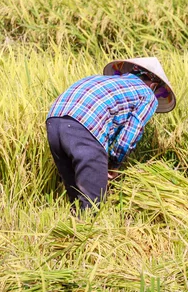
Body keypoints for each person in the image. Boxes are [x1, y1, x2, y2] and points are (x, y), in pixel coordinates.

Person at [45, 57, 176, 211]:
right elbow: (130, 134)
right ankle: (86, 231)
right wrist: (114, 163)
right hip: (86, 124)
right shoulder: (147, 94)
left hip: (53, 122)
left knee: (76, 194)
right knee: (93, 202)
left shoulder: (102, 80)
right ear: (154, 85)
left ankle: (72, 229)